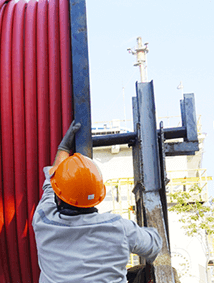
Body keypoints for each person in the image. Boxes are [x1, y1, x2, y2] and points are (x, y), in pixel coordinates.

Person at [32, 121, 162, 283]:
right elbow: (154, 245)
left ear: (58, 196)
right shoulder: (119, 228)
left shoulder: (44, 220)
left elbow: (51, 182)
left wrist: (63, 149)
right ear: (98, 194)